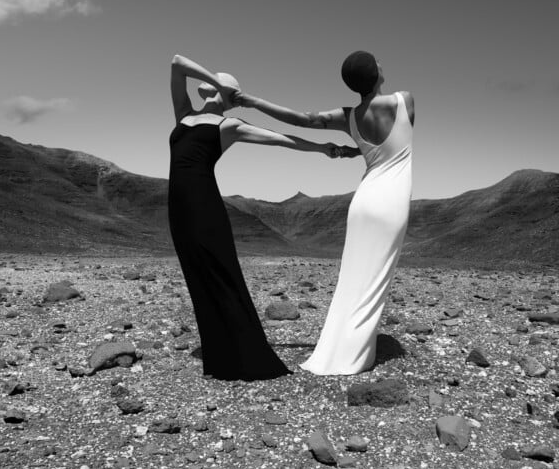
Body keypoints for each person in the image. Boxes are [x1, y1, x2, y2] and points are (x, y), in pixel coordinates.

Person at [168, 54, 346, 381]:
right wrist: (220, 81)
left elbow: (281, 140)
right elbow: (178, 63)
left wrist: (322, 149)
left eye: (220, 82)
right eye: (214, 80)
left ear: (226, 95)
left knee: (222, 273)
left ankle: (245, 356)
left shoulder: (228, 125)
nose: (210, 83)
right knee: (197, 276)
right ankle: (220, 350)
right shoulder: (184, 114)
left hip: (204, 205)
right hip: (177, 209)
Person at [237, 51, 413, 374]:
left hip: (364, 202)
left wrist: (252, 101)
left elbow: (303, 119)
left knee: (353, 278)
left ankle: (339, 348)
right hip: (391, 201)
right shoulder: (405, 101)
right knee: (376, 280)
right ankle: (356, 353)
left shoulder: (348, 117)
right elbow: (395, 147)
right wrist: (358, 150)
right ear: (375, 73)